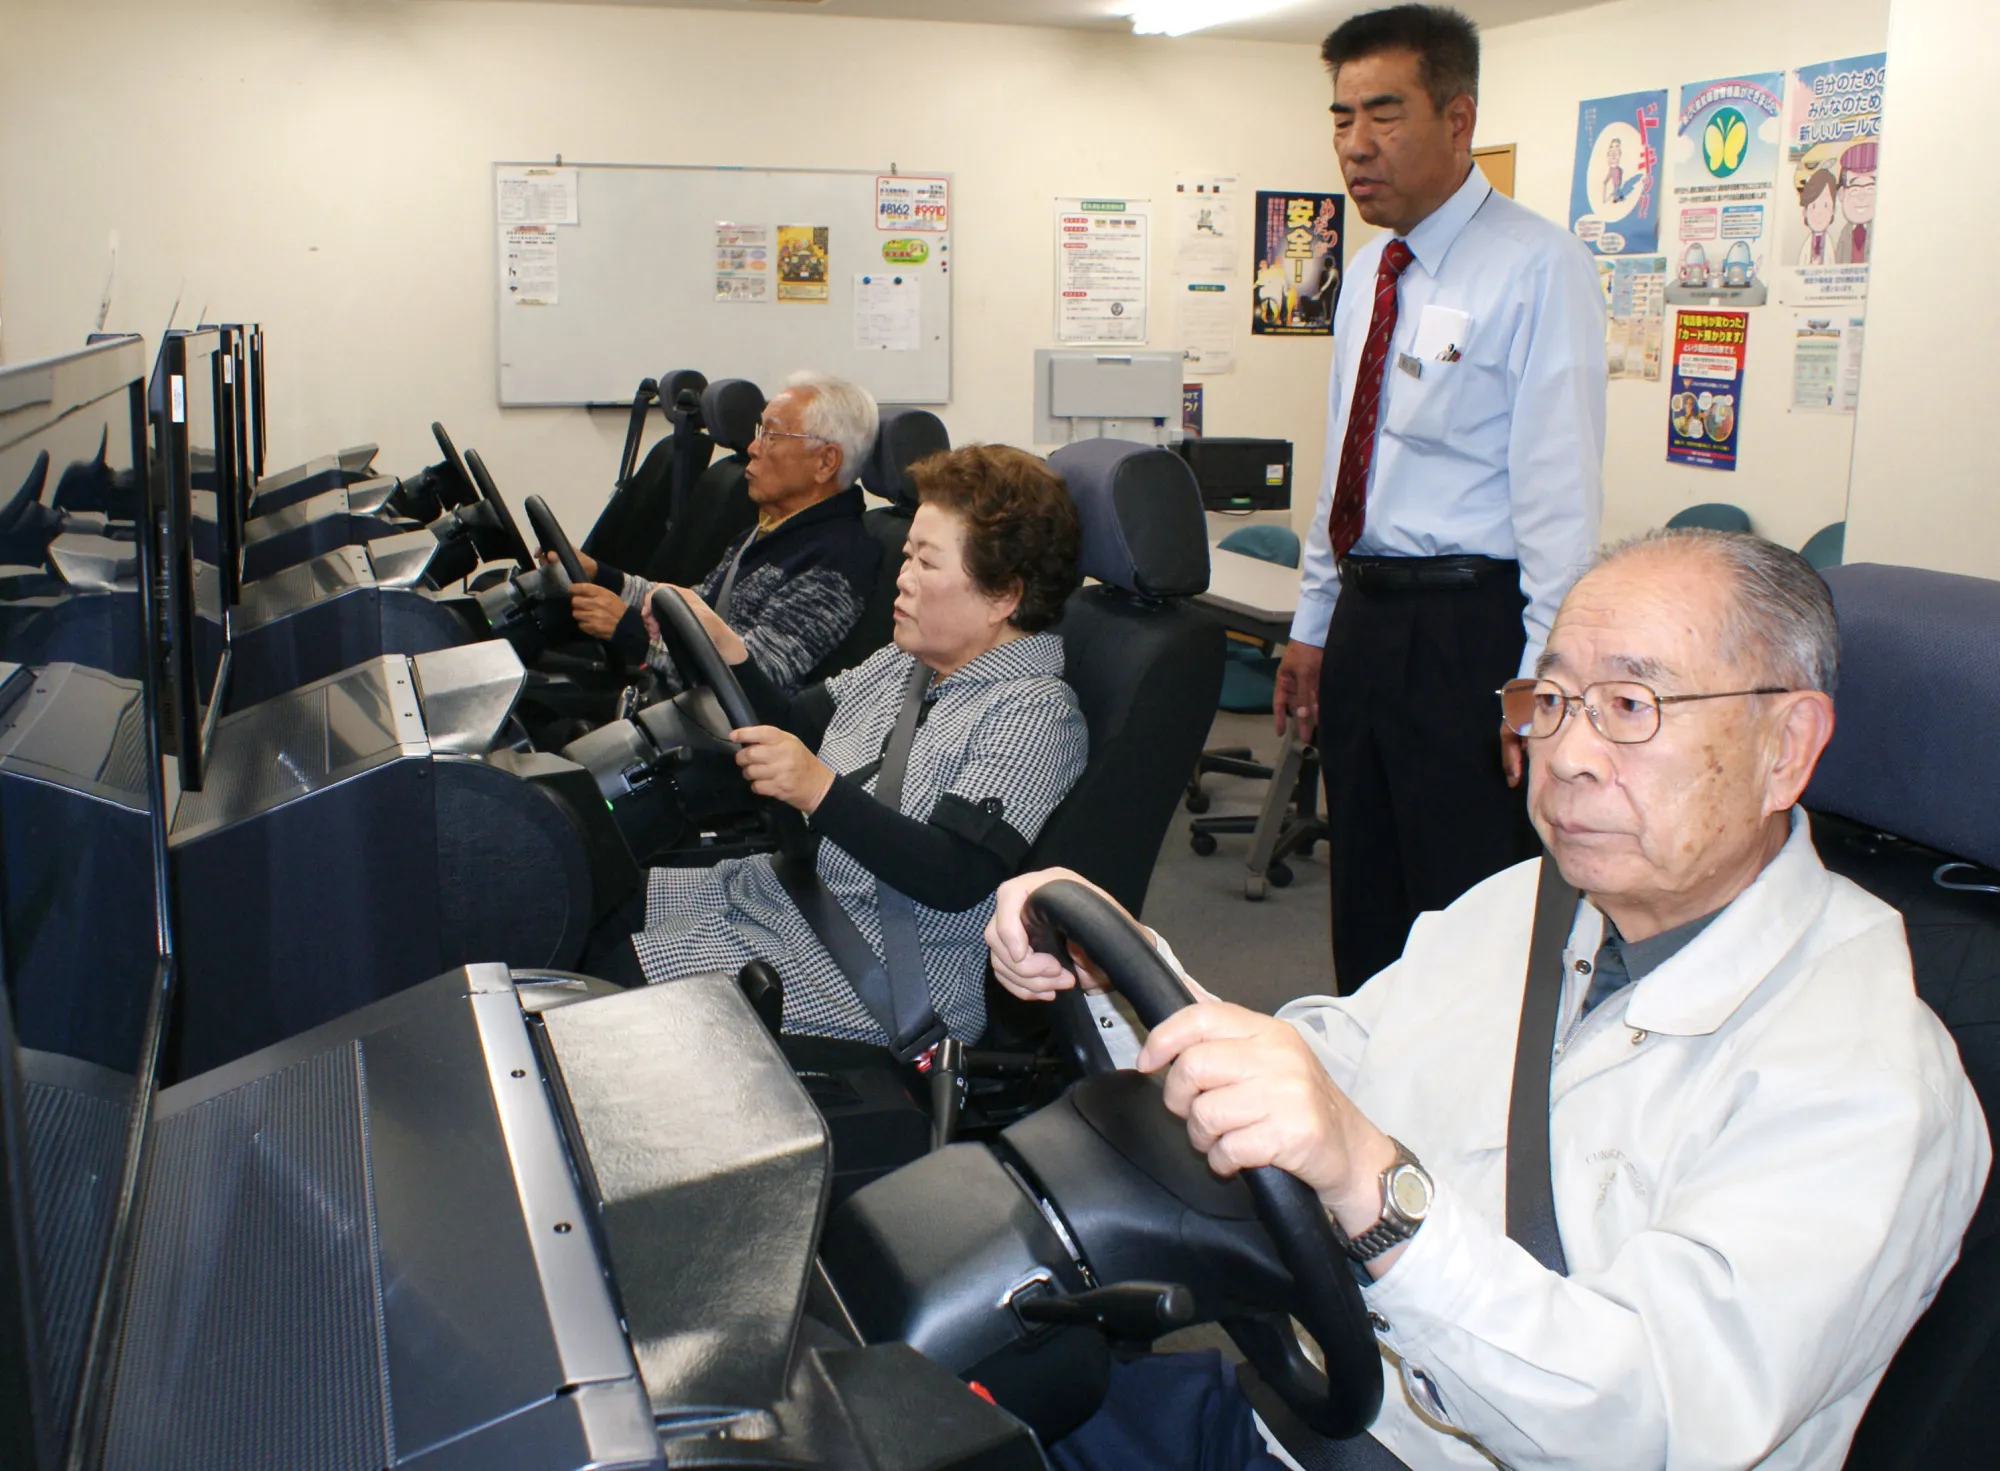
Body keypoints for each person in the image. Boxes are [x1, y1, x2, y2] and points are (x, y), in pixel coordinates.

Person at [989, 529, 1989, 1471]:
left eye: (1630, 707)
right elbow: (1324, 1065)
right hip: (1323, 1407)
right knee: (942, 1394)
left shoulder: (1865, 1074)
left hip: (1420, 1435)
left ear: (1784, 746)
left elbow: (1645, 1417)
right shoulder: (1530, 901)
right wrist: (1126, 979)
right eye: (1548, 699)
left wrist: (1375, 1191)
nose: (1565, 754)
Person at [1271, 5, 1607, 994]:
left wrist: (1539, 678)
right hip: (1367, 623)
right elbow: (1347, 460)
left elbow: (1558, 500)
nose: (1354, 146)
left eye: (1383, 114)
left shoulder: (1538, 266)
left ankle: (1466, 1128)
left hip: (1468, 628)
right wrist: (1311, 622)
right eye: (1339, 119)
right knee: (1363, 889)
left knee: (1464, 904)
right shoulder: (1371, 266)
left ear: (1456, 120)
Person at [611, 444, 1087, 1047]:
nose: (903, 577)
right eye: (908, 554)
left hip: (875, 972)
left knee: (601, 992)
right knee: (592, 902)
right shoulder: (906, 663)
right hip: (789, 897)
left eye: (926, 564)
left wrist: (817, 790)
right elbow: (792, 722)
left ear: (1003, 597)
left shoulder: (1033, 711)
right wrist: (728, 647)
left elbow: (957, 873)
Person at [563, 371, 882, 696]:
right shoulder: (772, 529)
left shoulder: (840, 559)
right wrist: (604, 577)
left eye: (772, 434)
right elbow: (698, 606)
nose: (753, 447)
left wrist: (631, 631)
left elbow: (757, 674)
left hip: (721, 739)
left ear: (826, 462)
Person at [1834, 141, 1877, 265]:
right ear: (1842, 193)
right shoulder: (1844, 234)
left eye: (1870, 189)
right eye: (1855, 190)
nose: (1862, 197)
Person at [1796, 167, 1839, 266]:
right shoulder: (1807, 243)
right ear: (1804, 212)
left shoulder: (1828, 243)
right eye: (1813, 207)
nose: (1819, 213)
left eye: (1826, 205)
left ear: (1833, 210)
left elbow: (1831, 262)